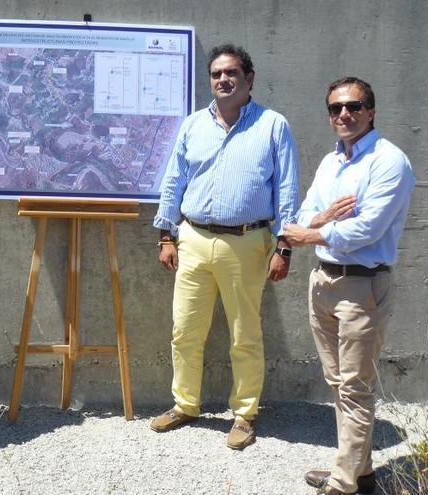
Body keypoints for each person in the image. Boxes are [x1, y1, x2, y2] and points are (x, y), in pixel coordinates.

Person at [150, 44, 299, 450]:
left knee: (244, 334)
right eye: (216, 73)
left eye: (231, 72)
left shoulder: (273, 125)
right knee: (185, 331)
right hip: (193, 238)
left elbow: (286, 188)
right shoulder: (193, 125)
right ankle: (185, 405)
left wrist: (284, 245)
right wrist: (166, 234)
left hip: (248, 242)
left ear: (248, 79)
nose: (222, 79)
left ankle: (245, 414)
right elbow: (172, 181)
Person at [285, 77, 414, 495]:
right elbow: (303, 215)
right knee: (338, 383)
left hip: (362, 286)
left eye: (353, 106)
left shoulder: (388, 162)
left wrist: (309, 233)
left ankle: (344, 483)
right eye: (335, 108)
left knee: (355, 386)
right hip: (323, 280)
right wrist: (321, 219)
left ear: (370, 111)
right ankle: (358, 470)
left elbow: (367, 228)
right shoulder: (330, 163)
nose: (343, 114)